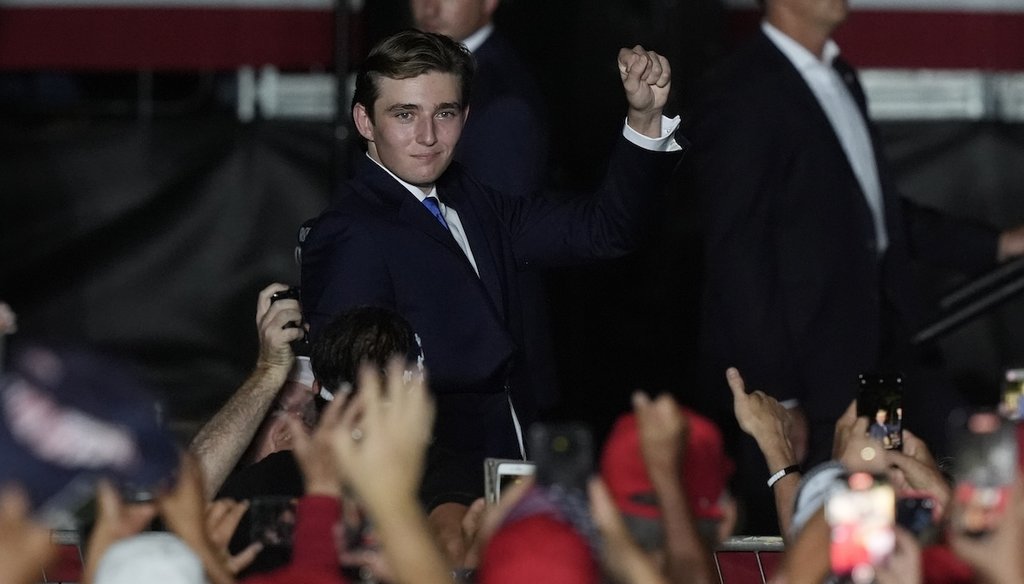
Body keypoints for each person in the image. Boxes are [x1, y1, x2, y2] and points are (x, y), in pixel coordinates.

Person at [299, 28, 682, 521]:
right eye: (404, 114)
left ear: (466, 117)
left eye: (445, 113)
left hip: (512, 468)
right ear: (364, 121)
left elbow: (605, 230)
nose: (428, 136)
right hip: (432, 499)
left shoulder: (473, 200)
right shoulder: (351, 231)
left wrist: (645, 118)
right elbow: (350, 401)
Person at [683, 0, 1024, 532]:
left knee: (889, 510)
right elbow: (737, 255)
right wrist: (782, 398)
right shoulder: (742, 88)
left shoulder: (839, 75)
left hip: (876, 365)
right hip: (809, 383)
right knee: (817, 529)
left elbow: (881, 216)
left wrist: (998, 243)